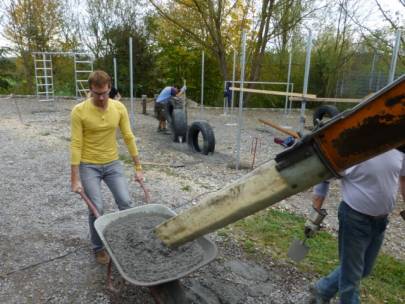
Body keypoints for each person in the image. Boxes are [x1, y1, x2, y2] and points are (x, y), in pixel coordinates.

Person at [306, 149, 405, 304]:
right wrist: (314, 217)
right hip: (354, 219)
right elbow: (324, 178)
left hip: (381, 222)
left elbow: (403, 178)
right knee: (351, 279)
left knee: (364, 269)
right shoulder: (355, 145)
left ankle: (323, 289)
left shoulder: (398, 145)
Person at [70, 70, 144, 265]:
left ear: (110, 88)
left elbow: (128, 136)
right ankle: (98, 247)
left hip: (112, 163)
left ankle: (130, 240)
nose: (101, 98)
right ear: (90, 91)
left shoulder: (118, 108)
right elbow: (76, 144)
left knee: (126, 202)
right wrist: (75, 178)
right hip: (89, 165)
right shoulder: (79, 111)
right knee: (97, 208)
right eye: (97, 93)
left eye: (104, 93)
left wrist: (138, 167)